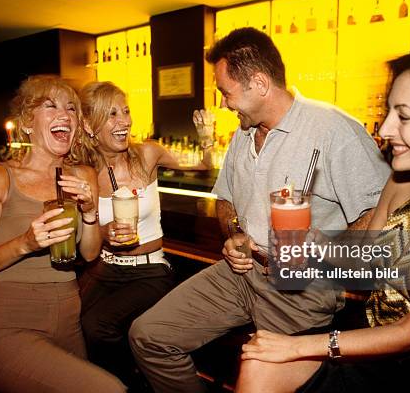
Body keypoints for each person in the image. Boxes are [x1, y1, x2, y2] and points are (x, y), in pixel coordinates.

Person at [129, 27, 391, 393]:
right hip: (241, 273)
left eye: (226, 92)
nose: (222, 103)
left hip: (300, 288)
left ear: (259, 83)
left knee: (258, 380)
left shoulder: (333, 131)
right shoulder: (242, 134)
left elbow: (379, 216)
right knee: (149, 336)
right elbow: (226, 199)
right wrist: (234, 233)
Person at [237, 53, 410, 393]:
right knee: (259, 360)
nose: (384, 129)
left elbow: (408, 334)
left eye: (403, 116)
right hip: (368, 342)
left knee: (272, 354)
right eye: (388, 112)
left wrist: (294, 346)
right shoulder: (406, 182)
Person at [0, 75, 125, 393]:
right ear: (27, 122)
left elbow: (90, 254)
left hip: (68, 319)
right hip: (9, 321)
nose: (64, 114)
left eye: (71, 109)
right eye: (49, 106)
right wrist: (25, 243)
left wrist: (91, 213)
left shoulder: (84, 175)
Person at [70, 81, 213, 389]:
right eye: (111, 114)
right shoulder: (84, 173)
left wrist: (206, 137)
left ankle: (130, 384)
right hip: (105, 269)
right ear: (88, 125)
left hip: (150, 269)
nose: (124, 121)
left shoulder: (146, 155)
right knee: (74, 326)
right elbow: (86, 242)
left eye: (126, 111)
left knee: (97, 327)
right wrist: (104, 231)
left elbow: (203, 165)